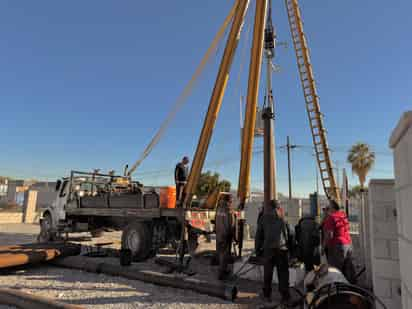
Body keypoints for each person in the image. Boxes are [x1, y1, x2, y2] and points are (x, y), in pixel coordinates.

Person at [255, 200, 291, 303]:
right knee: (283, 274)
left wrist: (258, 250)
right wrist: (291, 250)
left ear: (269, 207)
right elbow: (290, 234)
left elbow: (259, 236)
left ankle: (267, 295)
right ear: (278, 207)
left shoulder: (263, 218)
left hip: (268, 250)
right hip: (282, 249)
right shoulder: (283, 218)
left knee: (268, 273)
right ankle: (285, 297)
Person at [323, 199, 356, 283]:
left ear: (332, 207)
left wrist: (323, 246)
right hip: (348, 244)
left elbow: (329, 235)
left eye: (328, 206)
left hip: (337, 247)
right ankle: (351, 289)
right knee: (348, 269)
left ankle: (339, 290)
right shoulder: (343, 215)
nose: (327, 208)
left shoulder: (331, 217)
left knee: (336, 271)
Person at [215, 194, 235, 280]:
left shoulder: (218, 209)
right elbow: (231, 225)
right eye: (231, 200)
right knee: (225, 254)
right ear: (229, 201)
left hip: (219, 234)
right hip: (226, 235)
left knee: (220, 253)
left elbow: (215, 221)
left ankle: (223, 270)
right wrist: (234, 236)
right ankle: (221, 273)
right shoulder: (229, 210)